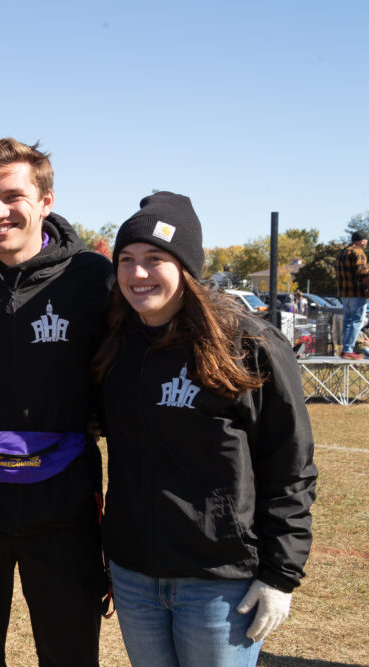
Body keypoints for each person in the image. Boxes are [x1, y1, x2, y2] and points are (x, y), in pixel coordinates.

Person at [92, 192, 318, 667]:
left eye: (155, 259)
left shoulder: (248, 343)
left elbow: (291, 465)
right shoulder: (115, 344)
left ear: (187, 267)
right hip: (135, 576)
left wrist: (280, 575)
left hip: (219, 584)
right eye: (127, 260)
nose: (137, 274)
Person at [0, 137, 112, 666]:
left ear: (46, 201)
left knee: (70, 653)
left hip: (64, 503)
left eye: (12, 196)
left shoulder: (92, 279)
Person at [335, 230, 369, 360]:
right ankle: (348, 350)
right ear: (361, 241)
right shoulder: (358, 252)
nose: (366, 243)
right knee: (357, 320)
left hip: (344, 293)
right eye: (366, 240)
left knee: (348, 321)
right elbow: (361, 271)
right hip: (357, 293)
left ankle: (345, 349)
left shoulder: (341, 253)